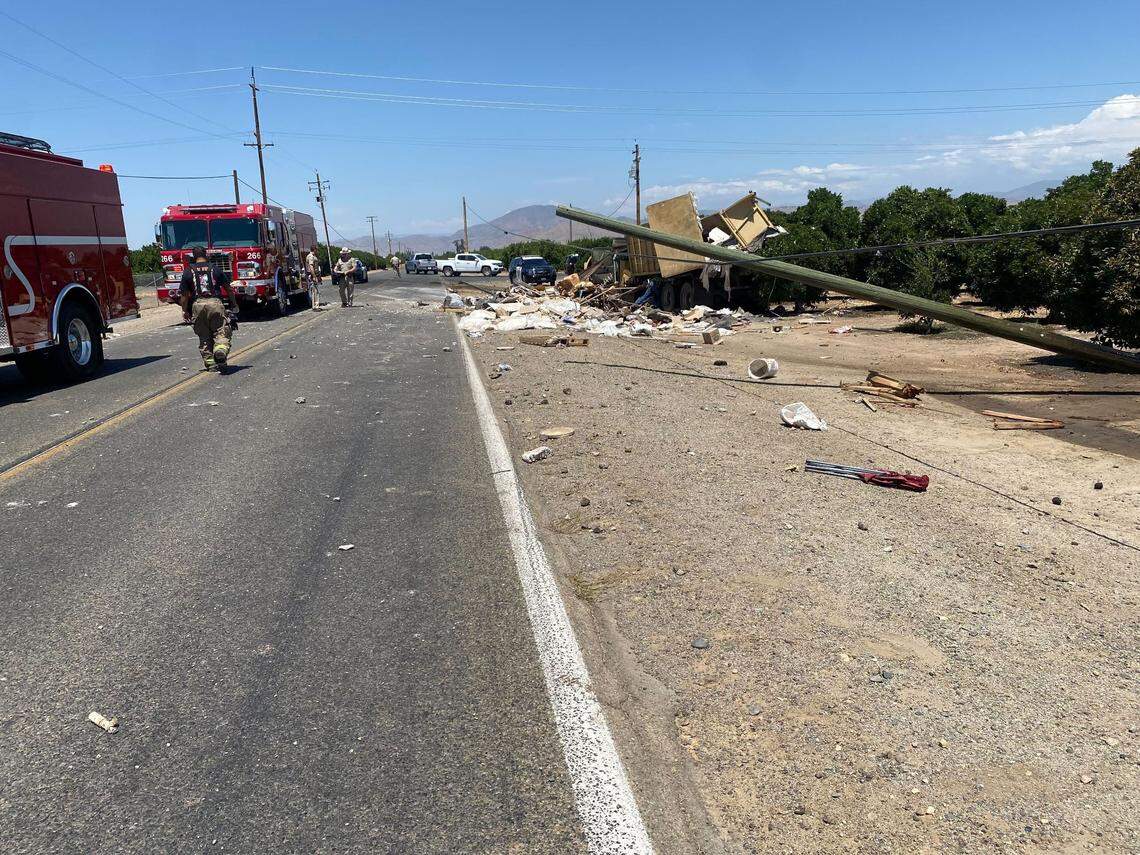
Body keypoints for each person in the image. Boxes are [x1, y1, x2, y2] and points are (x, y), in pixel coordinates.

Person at [179, 246, 238, 372]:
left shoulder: (188, 271)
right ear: (206, 255)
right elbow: (228, 288)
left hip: (197, 305)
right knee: (221, 331)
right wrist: (233, 304)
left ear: (193, 257)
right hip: (215, 303)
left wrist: (185, 310)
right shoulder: (215, 268)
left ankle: (210, 364)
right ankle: (220, 350)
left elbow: (184, 296)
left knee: (204, 336)